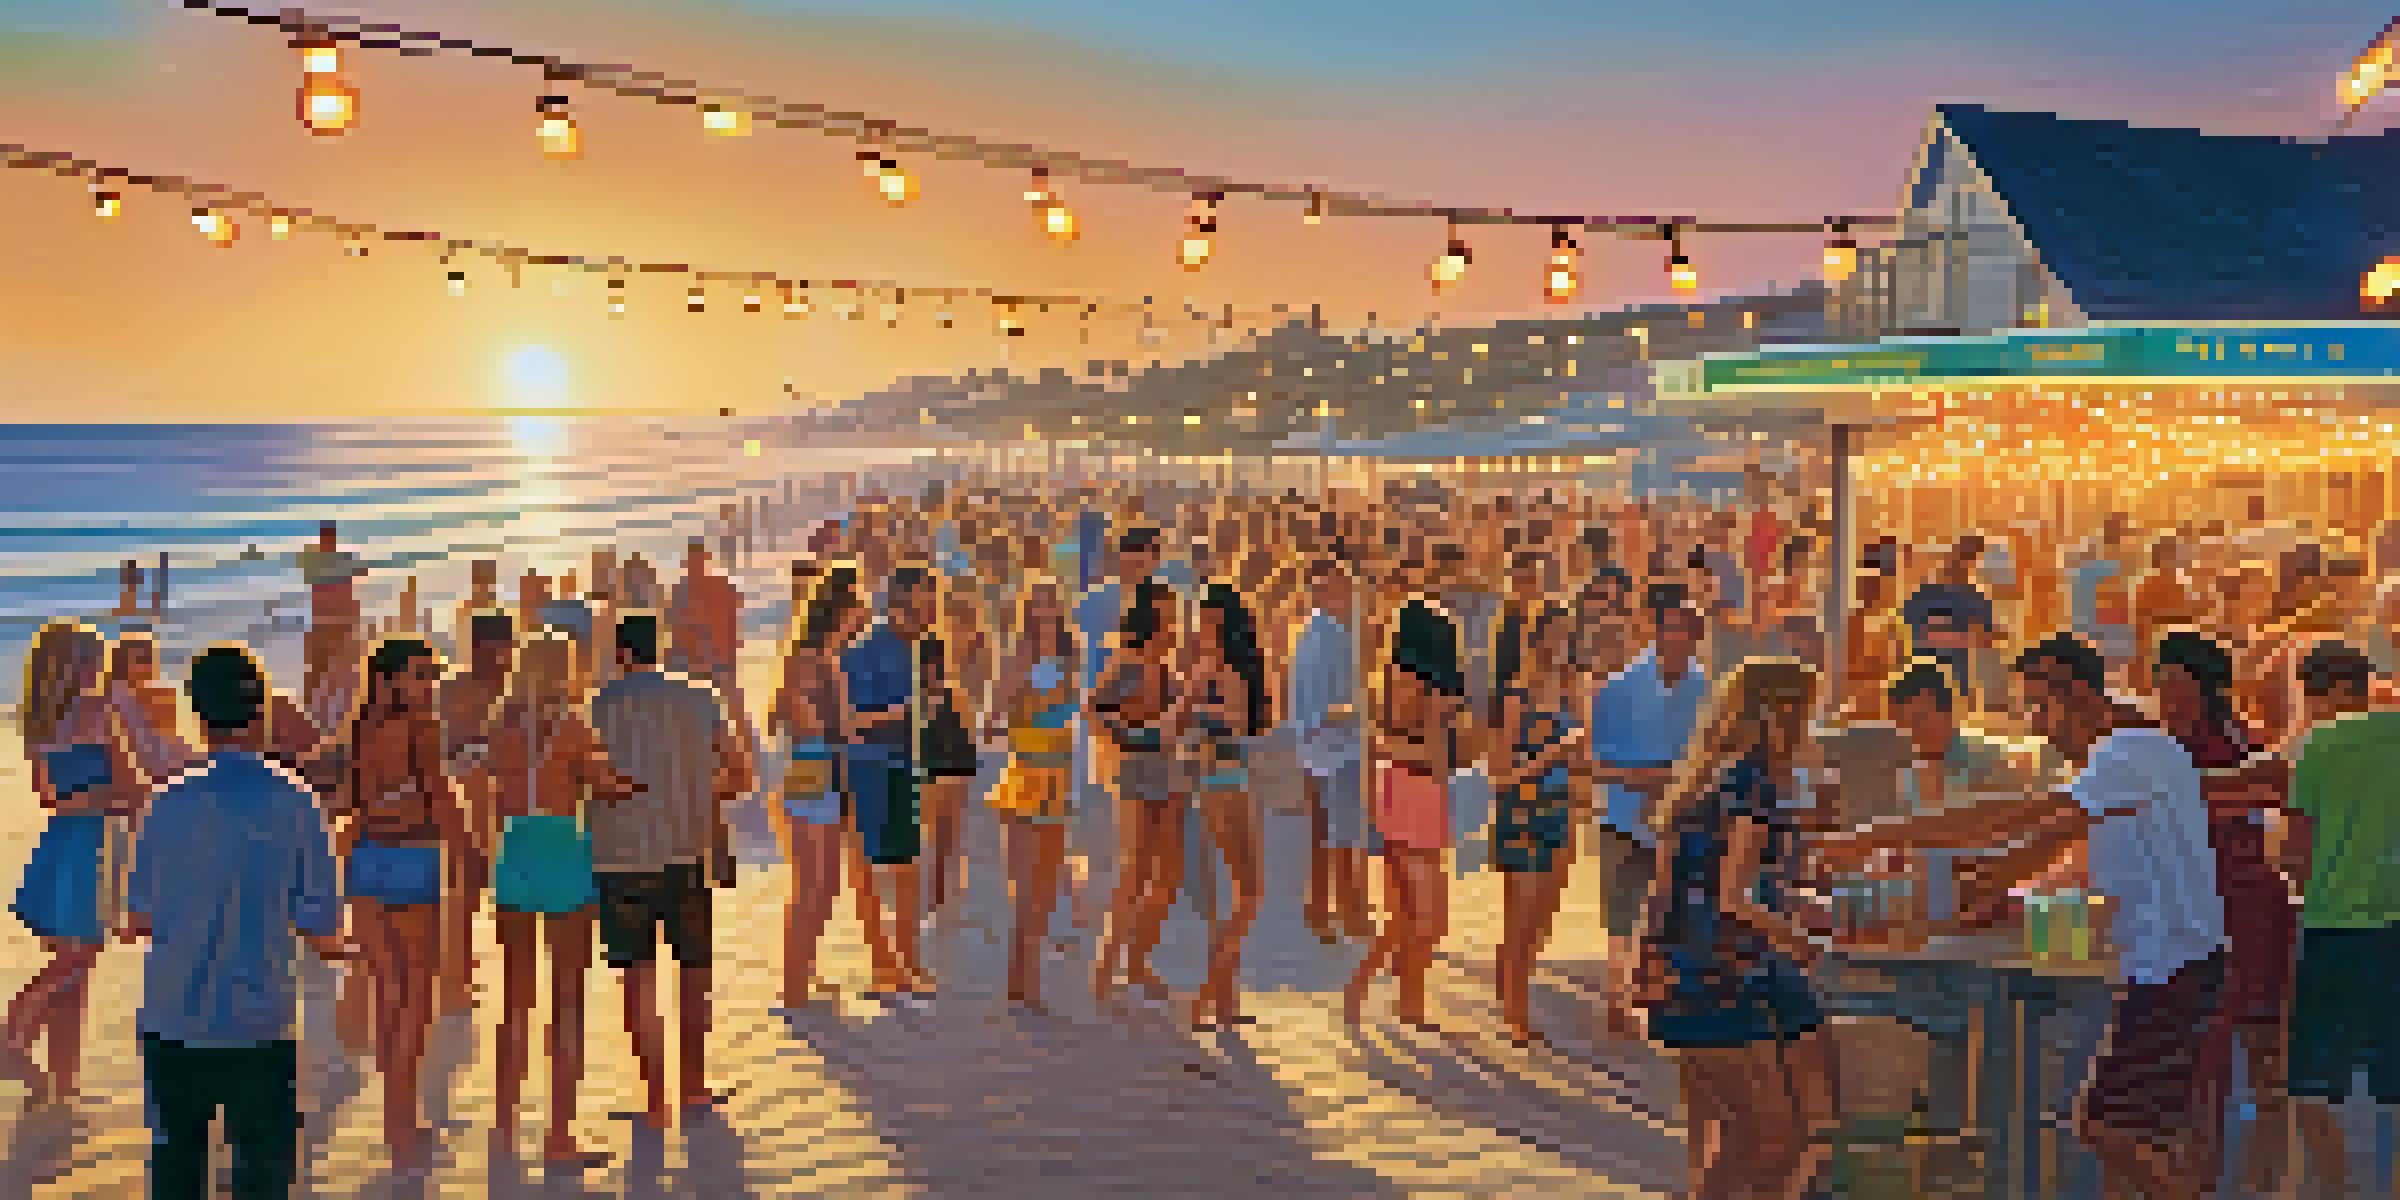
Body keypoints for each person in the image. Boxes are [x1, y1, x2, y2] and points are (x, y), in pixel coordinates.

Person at [1997, 634, 2228, 1196]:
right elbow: (2087, 861)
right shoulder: (2126, 757)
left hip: (2175, 965)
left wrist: (1990, 873)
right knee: (2138, 1133)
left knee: (2106, 1127)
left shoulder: (2130, 753)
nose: (2037, 724)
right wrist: (2016, 887)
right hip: (2163, 963)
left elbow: (2044, 828)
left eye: (2041, 705)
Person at [126, 644, 352, 1199]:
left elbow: (140, 918)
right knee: (264, 1175)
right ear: (263, 712)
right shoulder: (297, 801)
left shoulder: (167, 802)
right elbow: (322, 926)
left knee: (177, 1167)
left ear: (197, 715)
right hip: (262, 1019)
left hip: (175, 1016)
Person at [1632, 659, 1835, 1200]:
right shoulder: (1750, 784)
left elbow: (1698, 881)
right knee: (1772, 1138)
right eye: (1807, 717)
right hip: (1714, 976)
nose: (1810, 732)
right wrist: (1800, 939)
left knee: (1729, 1135)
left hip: (1687, 970)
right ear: (1780, 717)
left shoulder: (1713, 776)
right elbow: (1732, 896)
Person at [588, 612, 749, 1129]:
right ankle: (695, 1088)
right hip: (688, 850)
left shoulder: (594, 707)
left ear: (617, 652)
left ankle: (655, 1099)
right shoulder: (699, 697)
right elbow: (740, 774)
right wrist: (695, 792)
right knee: (694, 971)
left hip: (618, 855)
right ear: (657, 648)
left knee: (637, 978)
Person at [486, 631, 631, 1165]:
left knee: (515, 1000)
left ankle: (504, 1129)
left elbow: (492, 789)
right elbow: (602, 785)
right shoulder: (571, 724)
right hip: (562, 849)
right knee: (567, 1003)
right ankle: (558, 1136)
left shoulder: (501, 725)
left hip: (515, 851)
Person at [339, 635, 469, 1163]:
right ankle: (404, 1128)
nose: (427, 685)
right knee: (415, 999)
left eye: (430, 676)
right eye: (418, 675)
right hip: (412, 859)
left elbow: (351, 803)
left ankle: (399, 1127)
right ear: (388, 679)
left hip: (367, 861)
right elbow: (438, 793)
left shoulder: (362, 729)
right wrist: (466, 854)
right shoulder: (421, 727)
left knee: (388, 994)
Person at [2279, 643, 2400, 1200]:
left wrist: (2303, 882)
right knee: (2393, 1094)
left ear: (2317, 693)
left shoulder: (2318, 745)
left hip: (2335, 928)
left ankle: (2335, 1190)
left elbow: (2296, 855)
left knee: (2311, 1091)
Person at [7, 621, 145, 1105]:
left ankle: (61, 1086)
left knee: (73, 971)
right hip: (96, 847)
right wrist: (106, 796)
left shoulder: (39, 719)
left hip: (62, 844)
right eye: (92, 657)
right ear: (78, 663)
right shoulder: (98, 710)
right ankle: (10, 1036)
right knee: (74, 963)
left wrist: (86, 796)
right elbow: (132, 788)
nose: (98, 666)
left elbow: (52, 799)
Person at [1345, 561, 1465, 1034]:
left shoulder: (1385, 682)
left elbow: (1374, 740)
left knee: (1402, 912)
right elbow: (1437, 762)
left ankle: (1397, 1000)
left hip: (1390, 789)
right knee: (1429, 919)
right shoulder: (1432, 691)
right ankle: (1392, 995)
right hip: (1419, 795)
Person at [1588, 586, 1710, 1034]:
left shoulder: (1704, 690)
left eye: (1691, 631)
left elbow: (1706, 759)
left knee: (1672, 914)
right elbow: (1596, 765)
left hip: (1682, 821)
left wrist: (1674, 785)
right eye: (1674, 627)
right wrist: (1649, 782)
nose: (1682, 638)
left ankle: (1663, 1002)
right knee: (1622, 916)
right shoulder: (1620, 688)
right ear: (1657, 631)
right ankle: (1618, 1004)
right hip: (1623, 819)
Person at [767, 565, 866, 1009]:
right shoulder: (809, 660)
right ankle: (792, 987)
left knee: (824, 886)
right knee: (813, 885)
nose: (862, 616)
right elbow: (796, 722)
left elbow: (838, 728)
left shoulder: (827, 660)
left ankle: (801, 975)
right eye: (856, 609)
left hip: (822, 772)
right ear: (839, 612)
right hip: (810, 773)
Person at [1491, 605, 1587, 1047]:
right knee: (1522, 918)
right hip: (1522, 810)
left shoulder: (1572, 696)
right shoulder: (1518, 698)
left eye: (1567, 636)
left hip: (1560, 811)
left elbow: (1582, 764)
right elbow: (1499, 772)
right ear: (1537, 640)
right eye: (1553, 635)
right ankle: (1515, 1012)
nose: (1559, 644)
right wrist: (1552, 753)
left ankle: (1510, 984)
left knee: (1543, 920)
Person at [985, 574, 1080, 1012]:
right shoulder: (1019, 656)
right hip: (1026, 778)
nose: (1044, 612)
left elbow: (1074, 714)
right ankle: (1020, 984)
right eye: (1036, 604)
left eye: (1050, 603)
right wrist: (1018, 705)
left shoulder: (1067, 658)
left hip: (1059, 778)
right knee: (1025, 890)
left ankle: (1026, 983)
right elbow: (993, 720)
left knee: (1044, 890)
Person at [843, 566, 937, 997]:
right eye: (926, 595)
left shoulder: (915, 643)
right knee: (868, 872)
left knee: (906, 868)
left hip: (902, 765)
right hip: (869, 768)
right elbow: (853, 719)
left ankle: (907, 965)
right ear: (903, 599)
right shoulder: (870, 647)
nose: (933, 603)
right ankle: (884, 965)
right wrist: (906, 710)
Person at [1090, 579, 1184, 1005]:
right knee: (1136, 871)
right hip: (1135, 770)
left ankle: (1138, 961)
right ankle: (1109, 967)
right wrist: (1131, 737)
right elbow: (1096, 711)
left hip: (1165, 770)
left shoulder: (1164, 663)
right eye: (1167, 613)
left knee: (1166, 875)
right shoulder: (1129, 662)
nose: (1174, 621)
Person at [1189, 582, 1271, 1031]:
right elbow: (1238, 727)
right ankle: (1207, 998)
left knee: (1237, 896)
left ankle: (1223, 1000)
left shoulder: (1209, 669)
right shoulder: (1224, 671)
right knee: (1249, 895)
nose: (1201, 627)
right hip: (1227, 783)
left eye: (1206, 619)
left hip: (1221, 781)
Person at [438, 611, 516, 1020]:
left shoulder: (512, 686)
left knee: (488, 890)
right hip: (467, 800)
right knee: (466, 890)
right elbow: (442, 748)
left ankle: (472, 972)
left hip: (501, 803)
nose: (510, 651)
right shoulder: (453, 689)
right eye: (505, 644)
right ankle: (459, 975)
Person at [1292, 557, 1371, 943]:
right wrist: (1368, 710)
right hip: (1338, 746)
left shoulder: (1308, 634)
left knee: (1321, 835)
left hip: (1312, 747)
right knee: (1343, 835)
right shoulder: (1333, 637)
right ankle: (1349, 914)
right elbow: (1331, 706)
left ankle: (1320, 911)